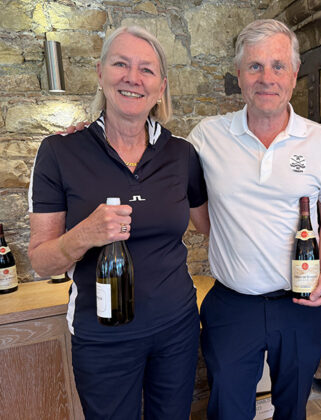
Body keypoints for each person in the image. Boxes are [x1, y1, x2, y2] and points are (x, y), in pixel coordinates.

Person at [28, 26, 209, 419]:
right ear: (100, 73)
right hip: (102, 337)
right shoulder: (60, 151)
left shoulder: (182, 155)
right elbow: (41, 262)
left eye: (146, 69)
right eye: (120, 64)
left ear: (161, 87)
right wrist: (83, 235)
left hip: (177, 328)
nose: (132, 77)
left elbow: (212, 225)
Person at [187, 19, 321, 420]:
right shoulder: (206, 136)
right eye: (255, 66)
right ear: (239, 74)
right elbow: (192, 201)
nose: (267, 78)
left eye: (278, 66)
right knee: (228, 410)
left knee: (292, 409)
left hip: (300, 304)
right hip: (231, 305)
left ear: (294, 74)